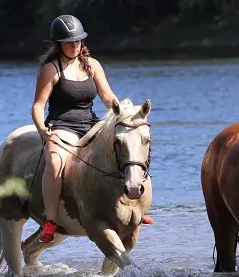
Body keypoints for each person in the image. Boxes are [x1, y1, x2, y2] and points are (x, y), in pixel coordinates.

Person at [31, 14, 152, 243]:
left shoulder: (92, 65)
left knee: (125, 147)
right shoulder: (51, 69)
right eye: (69, 43)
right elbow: (38, 106)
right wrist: (41, 130)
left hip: (91, 123)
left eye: (77, 41)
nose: (74, 46)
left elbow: (108, 98)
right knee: (55, 162)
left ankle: (135, 207)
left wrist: (124, 112)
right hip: (63, 126)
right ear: (59, 44)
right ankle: (50, 220)